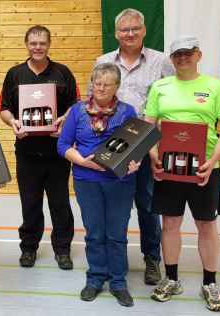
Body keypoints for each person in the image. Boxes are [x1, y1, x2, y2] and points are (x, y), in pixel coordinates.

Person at [146, 36, 220, 312]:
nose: (182, 58)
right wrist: (153, 155)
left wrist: (214, 159)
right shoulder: (160, 87)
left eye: (187, 53)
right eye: (177, 55)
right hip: (169, 167)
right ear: (171, 59)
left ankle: (210, 283)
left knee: (206, 225)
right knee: (170, 224)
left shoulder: (214, 86)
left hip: (204, 169)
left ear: (198, 54)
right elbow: (148, 125)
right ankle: (171, 278)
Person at [94, 8, 175, 285]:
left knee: (148, 205)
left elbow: (171, 101)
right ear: (116, 33)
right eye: (124, 29)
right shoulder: (103, 60)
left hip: (147, 144)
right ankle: (112, 261)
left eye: (135, 29)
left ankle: (152, 259)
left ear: (143, 30)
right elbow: (94, 98)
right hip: (112, 145)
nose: (129, 34)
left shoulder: (161, 62)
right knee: (113, 206)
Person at [58, 63, 140, 307]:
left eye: (108, 84)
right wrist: (82, 161)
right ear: (91, 84)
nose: (101, 88)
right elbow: (62, 145)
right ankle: (95, 278)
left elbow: (136, 145)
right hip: (87, 181)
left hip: (120, 181)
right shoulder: (76, 111)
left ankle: (118, 282)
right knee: (94, 233)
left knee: (116, 234)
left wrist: (135, 162)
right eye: (98, 83)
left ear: (117, 87)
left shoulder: (127, 112)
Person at [0, 25, 78, 270]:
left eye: (42, 43)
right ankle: (29, 248)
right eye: (33, 43)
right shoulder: (15, 74)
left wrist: (64, 120)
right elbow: (4, 109)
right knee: (30, 203)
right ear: (26, 44)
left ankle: (62, 249)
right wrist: (13, 122)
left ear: (49, 44)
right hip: (27, 152)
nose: (37, 47)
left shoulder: (63, 73)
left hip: (57, 151)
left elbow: (75, 107)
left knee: (60, 202)